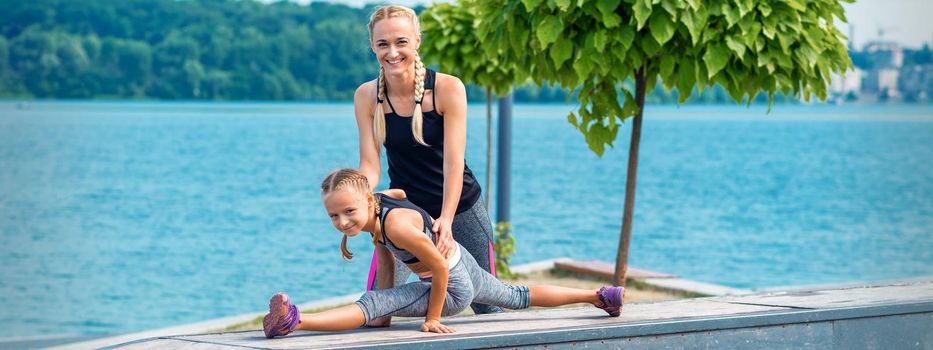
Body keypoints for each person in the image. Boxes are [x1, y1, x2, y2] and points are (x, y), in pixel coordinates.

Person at [262, 169, 625, 338]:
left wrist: (431, 318)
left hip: (449, 283)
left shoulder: (395, 227)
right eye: (333, 215)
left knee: (371, 303)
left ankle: (295, 320)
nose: (342, 221)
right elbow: (401, 196)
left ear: (369, 201)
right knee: (516, 295)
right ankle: (599, 297)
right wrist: (385, 309)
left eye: (349, 212)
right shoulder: (384, 206)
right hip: (459, 261)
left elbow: (435, 266)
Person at [353, 5, 501, 317]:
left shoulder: (448, 88)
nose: (392, 52)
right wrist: (353, 196)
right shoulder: (367, 97)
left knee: (488, 305)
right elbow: (370, 165)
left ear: (417, 41)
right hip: (404, 214)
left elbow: (453, 164)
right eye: (383, 44)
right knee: (378, 309)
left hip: (459, 207)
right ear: (373, 47)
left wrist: (446, 220)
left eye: (401, 42)